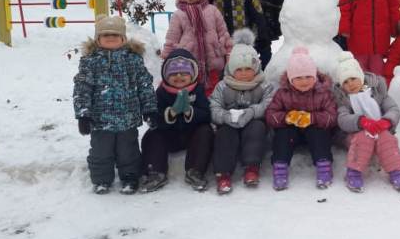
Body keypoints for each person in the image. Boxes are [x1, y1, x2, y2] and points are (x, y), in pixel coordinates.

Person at [72, 15, 156, 194]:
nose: (110, 38)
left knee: (129, 152)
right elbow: (82, 88)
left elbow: (145, 85)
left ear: (124, 39)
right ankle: (102, 180)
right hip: (101, 120)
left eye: (115, 35)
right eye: (106, 35)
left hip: (128, 119)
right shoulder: (90, 62)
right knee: (101, 152)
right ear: (97, 39)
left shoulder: (132, 60)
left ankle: (130, 178)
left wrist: (149, 109)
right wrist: (83, 114)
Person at [210, 29, 274, 194]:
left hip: (253, 121)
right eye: (239, 70)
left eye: (248, 69)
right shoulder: (223, 86)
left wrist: (252, 112)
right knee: (224, 135)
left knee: (257, 129)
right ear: (231, 69)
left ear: (256, 68)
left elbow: (269, 104)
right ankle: (223, 173)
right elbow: (214, 106)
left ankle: (252, 167)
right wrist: (224, 116)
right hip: (228, 122)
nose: (244, 73)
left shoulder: (263, 85)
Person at [140, 49, 214, 193]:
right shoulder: (161, 92)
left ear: (192, 74)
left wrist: (190, 112)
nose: (178, 76)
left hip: (191, 135)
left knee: (206, 131)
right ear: (166, 75)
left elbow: (206, 114)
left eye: (184, 73)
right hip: (169, 135)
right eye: (173, 73)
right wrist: (171, 113)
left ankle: (195, 171)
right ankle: (155, 172)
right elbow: (153, 118)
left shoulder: (197, 90)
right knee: (152, 135)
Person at [333, 52, 400, 192]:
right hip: (355, 133)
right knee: (364, 138)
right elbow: (342, 119)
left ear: (360, 76)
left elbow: (393, 108)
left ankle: (396, 171)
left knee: (387, 139)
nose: (350, 84)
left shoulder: (377, 91)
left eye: (353, 79)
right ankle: (354, 172)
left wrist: (386, 121)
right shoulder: (344, 99)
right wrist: (361, 121)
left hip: (380, 128)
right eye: (345, 82)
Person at [265, 47, 337, 190]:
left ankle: (323, 165)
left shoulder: (322, 93)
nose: (304, 81)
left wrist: (312, 118)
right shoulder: (282, 93)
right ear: (291, 79)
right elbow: (270, 115)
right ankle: (280, 166)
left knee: (319, 132)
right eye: (298, 77)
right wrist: (287, 117)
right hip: (292, 133)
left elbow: (332, 117)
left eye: (308, 77)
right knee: (283, 133)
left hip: (314, 132)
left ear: (315, 76)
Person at [164, 0, 233, 96]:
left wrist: (228, 52)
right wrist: (167, 58)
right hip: (189, 62)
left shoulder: (212, 10)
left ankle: (212, 114)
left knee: (213, 92)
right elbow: (172, 38)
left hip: (214, 60)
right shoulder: (179, 15)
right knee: (193, 93)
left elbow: (223, 33)